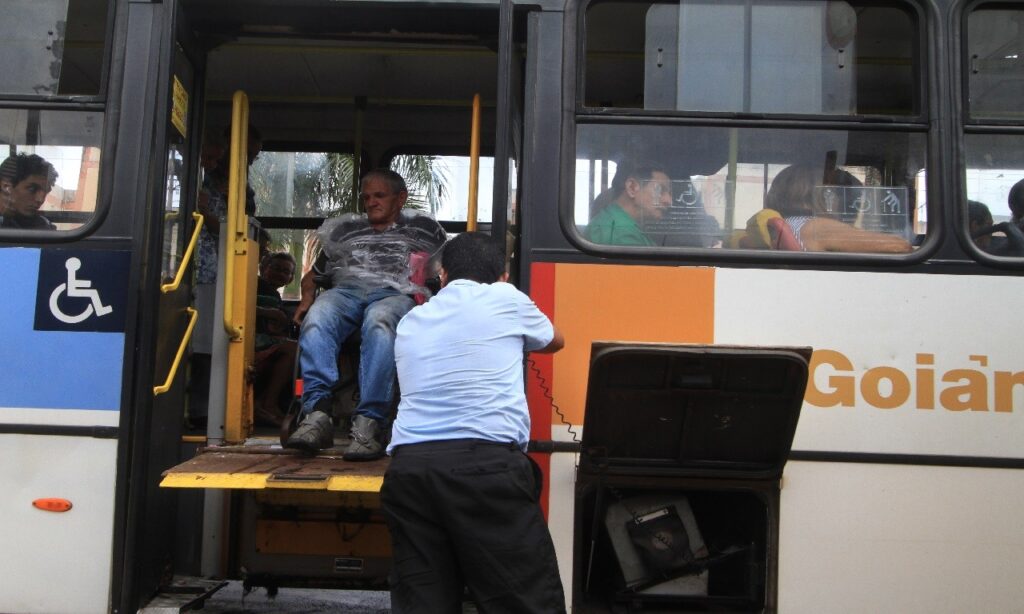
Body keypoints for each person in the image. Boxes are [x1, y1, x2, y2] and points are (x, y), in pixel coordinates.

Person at [381, 232, 566, 613]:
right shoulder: (504, 297)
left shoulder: (414, 318)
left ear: (443, 276)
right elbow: (555, 340)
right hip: (484, 471)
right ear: (502, 275)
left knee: (423, 600)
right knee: (521, 599)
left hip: (410, 472)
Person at [286, 169, 447, 459]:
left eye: (379, 196)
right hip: (346, 292)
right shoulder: (346, 231)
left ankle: (370, 423)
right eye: (366, 197)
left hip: (395, 293)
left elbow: (443, 272)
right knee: (318, 318)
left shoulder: (423, 230)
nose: (371, 202)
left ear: (401, 199)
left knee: (380, 321)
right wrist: (306, 299)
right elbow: (315, 274)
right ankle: (316, 414)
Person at [765, 164, 911, 253]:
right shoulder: (817, 228)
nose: (843, 201)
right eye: (838, 193)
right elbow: (900, 247)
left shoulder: (790, 222)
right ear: (822, 194)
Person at [253, 251, 298, 426]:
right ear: (263, 268)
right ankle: (268, 404)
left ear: (290, 278)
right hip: (252, 339)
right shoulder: (255, 285)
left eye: (285, 271)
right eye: (275, 268)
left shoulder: (274, 294)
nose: (280, 274)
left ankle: (265, 403)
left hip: (265, 338)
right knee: (293, 349)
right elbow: (245, 305)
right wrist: (271, 313)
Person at [585, 160, 672, 246]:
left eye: (669, 193)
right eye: (660, 190)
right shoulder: (622, 234)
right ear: (632, 188)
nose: (669, 201)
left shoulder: (616, 221)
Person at [0, 153, 58, 230]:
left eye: (45, 192)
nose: (40, 200)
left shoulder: (41, 225)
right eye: (32, 189)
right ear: (6, 186)